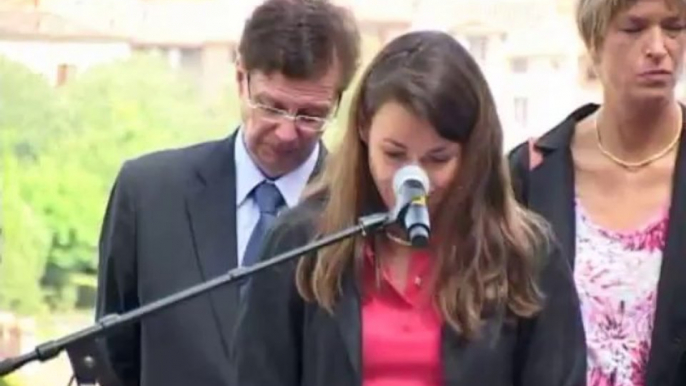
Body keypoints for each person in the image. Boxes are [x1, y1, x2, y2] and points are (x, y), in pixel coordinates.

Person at [232, 30, 586, 386]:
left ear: (471, 153)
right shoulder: (302, 241)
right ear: (364, 130)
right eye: (394, 154)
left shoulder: (525, 254)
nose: (412, 179)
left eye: (438, 158)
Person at [94, 1, 361, 385]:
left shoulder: (360, 217)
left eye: (310, 115)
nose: (287, 132)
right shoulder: (148, 195)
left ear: (339, 101)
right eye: (271, 106)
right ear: (241, 78)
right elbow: (112, 356)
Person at [508, 0, 686, 385]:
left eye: (674, 27)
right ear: (594, 41)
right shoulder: (531, 173)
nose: (659, 46)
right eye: (634, 28)